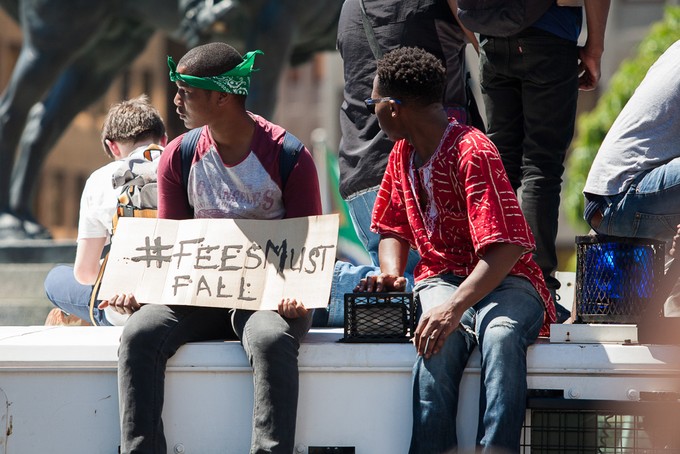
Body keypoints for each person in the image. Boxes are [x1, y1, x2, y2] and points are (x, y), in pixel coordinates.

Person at [104, 42, 322, 454]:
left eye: (186, 91)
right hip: (197, 298)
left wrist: (299, 297)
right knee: (140, 333)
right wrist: (137, 291)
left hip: (269, 302)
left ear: (221, 96)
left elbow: (307, 251)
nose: (176, 101)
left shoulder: (290, 156)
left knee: (270, 340)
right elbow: (167, 248)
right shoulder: (179, 155)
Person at [356, 47, 556, 453]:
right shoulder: (402, 152)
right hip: (442, 278)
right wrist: (393, 272)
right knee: (435, 340)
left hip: (507, 280)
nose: (371, 111)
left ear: (394, 108)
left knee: (500, 335)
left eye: (373, 102)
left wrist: (454, 308)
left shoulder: (472, 150)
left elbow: (507, 248)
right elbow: (392, 226)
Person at [320, 0, 474, 327]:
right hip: (420, 167)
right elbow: (487, 37)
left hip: (359, 168)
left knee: (399, 291)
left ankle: (312, 287)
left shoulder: (351, 5)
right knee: (441, 290)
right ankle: (315, 287)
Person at [477, 0, 610, 299]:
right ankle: (536, 286)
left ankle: (491, 278)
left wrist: (482, 45)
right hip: (549, 37)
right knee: (542, 167)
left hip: (492, 37)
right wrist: (595, 49)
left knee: (500, 169)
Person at [43, 95, 167, 326]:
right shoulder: (189, 169)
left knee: (54, 279)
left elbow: (86, 273)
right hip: (180, 303)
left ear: (112, 146)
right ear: (164, 140)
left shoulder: (100, 180)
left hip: (123, 309)